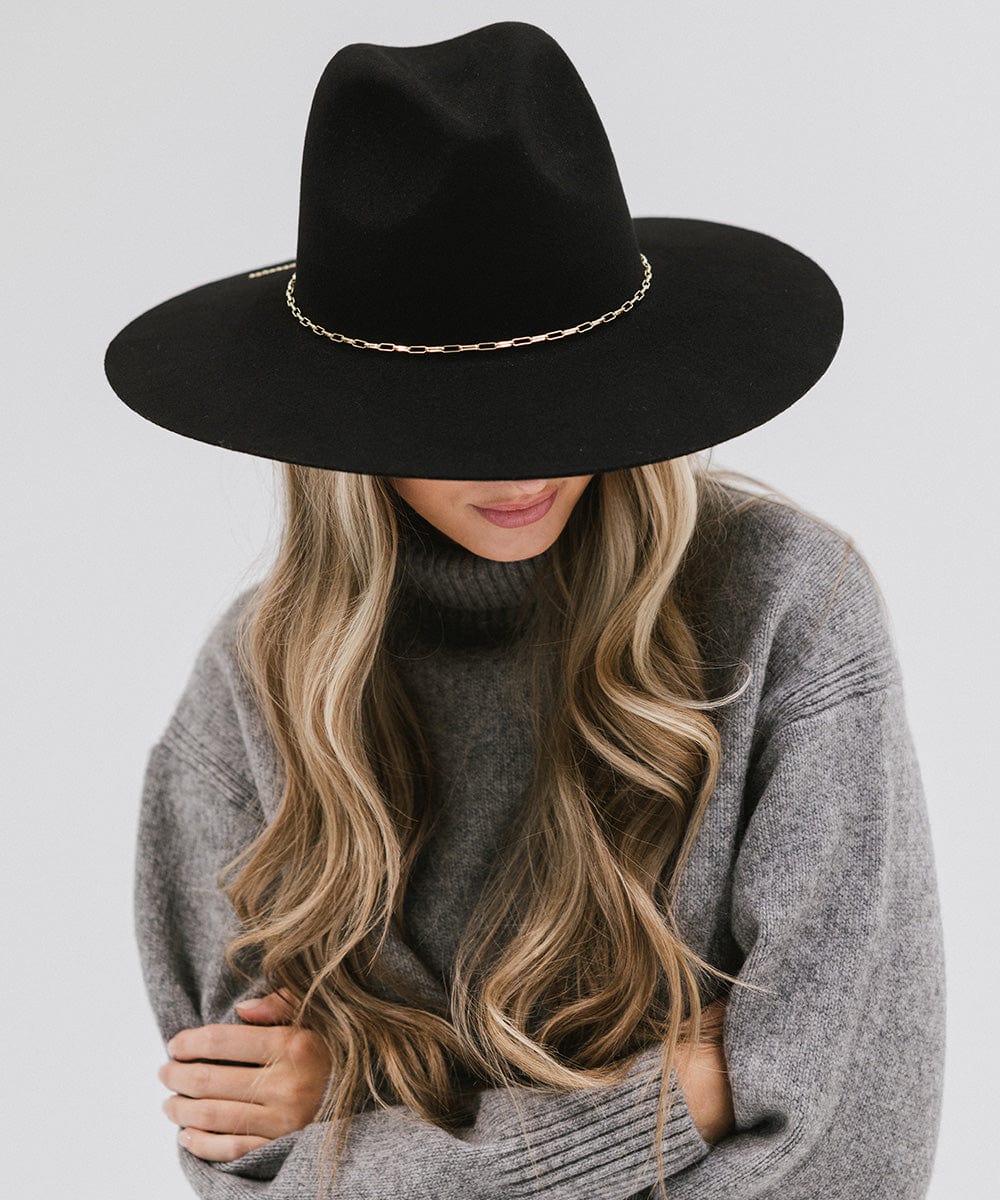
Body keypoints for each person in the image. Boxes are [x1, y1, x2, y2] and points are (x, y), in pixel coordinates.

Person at [104, 20, 945, 1200]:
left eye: (559, 400)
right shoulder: (255, 687)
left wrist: (364, 1112)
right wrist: (671, 1100)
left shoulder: (787, 610)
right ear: (342, 417)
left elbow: (853, 1154)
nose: (520, 467)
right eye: (451, 419)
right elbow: (253, 1177)